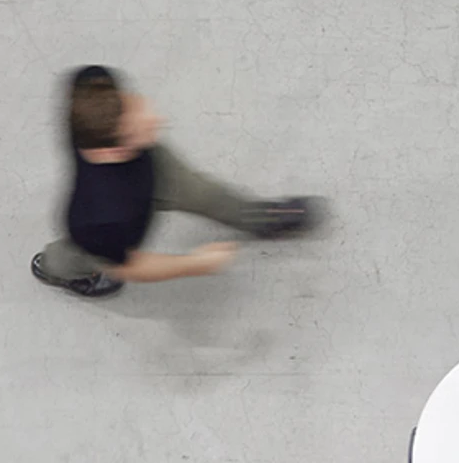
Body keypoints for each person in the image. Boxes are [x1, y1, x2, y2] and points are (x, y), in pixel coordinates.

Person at [31, 65, 322, 298]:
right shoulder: (100, 223)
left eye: (136, 106)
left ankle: (263, 220)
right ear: (113, 150)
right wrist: (196, 264)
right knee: (73, 258)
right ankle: (53, 269)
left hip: (155, 173)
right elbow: (132, 268)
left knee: (208, 194)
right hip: (115, 225)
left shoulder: (93, 84)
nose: (155, 119)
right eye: (138, 126)